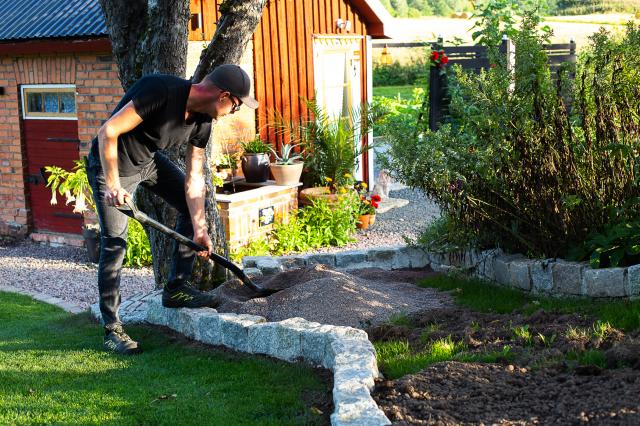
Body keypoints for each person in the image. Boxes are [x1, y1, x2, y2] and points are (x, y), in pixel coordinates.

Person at [86, 64, 259, 355]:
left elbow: (194, 179)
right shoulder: (161, 91)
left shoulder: (203, 121)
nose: (235, 112)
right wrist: (113, 184)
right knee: (115, 242)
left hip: (148, 162)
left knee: (193, 210)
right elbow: (109, 131)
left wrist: (200, 229)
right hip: (111, 166)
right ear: (224, 96)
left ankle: (176, 287)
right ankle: (112, 328)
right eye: (237, 105)